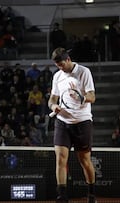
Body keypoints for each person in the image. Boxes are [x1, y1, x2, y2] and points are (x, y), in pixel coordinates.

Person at [47, 47, 96, 203]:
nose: (60, 68)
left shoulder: (84, 72)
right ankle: (62, 195)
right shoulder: (57, 77)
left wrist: (81, 97)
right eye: (57, 65)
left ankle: (91, 194)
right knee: (60, 158)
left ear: (68, 59)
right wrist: (54, 107)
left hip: (82, 121)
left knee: (85, 161)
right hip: (62, 122)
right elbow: (52, 99)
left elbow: (92, 96)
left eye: (61, 64)